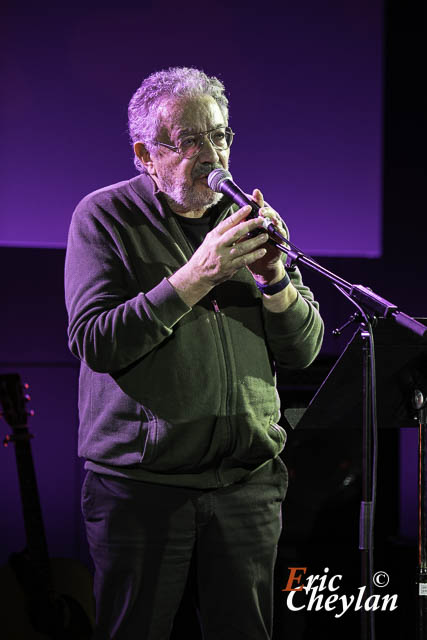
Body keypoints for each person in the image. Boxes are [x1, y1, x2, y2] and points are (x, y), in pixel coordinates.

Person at [64, 66, 324, 639]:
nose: (212, 154)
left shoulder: (248, 223)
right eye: (189, 140)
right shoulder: (105, 217)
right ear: (145, 153)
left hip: (247, 485)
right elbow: (96, 341)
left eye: (221, 135)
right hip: (142, 490)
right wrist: (196, 275)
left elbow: (305, 350)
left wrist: (275, 277)